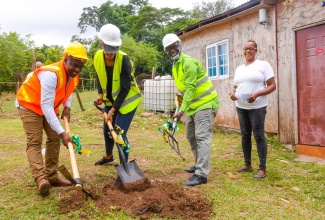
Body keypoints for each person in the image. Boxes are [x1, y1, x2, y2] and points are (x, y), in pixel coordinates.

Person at [16, 42, 88, 196]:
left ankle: (52, 176)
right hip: (29, 105)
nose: (77, 70)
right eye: (74, 65)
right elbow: (46, 106)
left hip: (48, 106)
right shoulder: (51, 74)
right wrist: (63, 133)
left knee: (54, 138)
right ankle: (41, 179)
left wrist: (67, 107)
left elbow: (67, 92)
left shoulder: (74, 76)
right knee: (35, 141)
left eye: (80, 67)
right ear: (66, 58)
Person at [162, 33, 219, 186]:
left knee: (201, 137)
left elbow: (191, 89)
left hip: (206, 103)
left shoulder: (188, 63)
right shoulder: (175, 66)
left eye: (174, 47)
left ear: (180, 45)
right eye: (169, 49)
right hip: (193, 106)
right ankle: (198, 164)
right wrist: (180, 108)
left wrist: (181, 111)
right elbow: (183, 91)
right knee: (190, 136)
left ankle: (201, 174)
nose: (172, 51)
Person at [93, 24, 141, 184]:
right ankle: (108, 158)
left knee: (120, 134)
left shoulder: (124, 59)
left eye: (113, 49)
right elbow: (100, 77)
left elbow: (126, 88)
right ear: (101, 44)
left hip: (127, 101)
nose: (110, 54)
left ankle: (124, 169)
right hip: (110, 100)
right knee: (107, 128)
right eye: (108, 49)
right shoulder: (97, 56)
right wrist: (100, 95)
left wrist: (113, 110)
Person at [230, 39, 276, 179]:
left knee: (259, 136)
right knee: (245, 135)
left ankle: (262, 169)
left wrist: (256, 94)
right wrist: (233, 93)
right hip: (241, 106)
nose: (247, 51)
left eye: (250, 48)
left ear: (256, 50)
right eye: (245, 49)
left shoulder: (263, 65)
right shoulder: (239, 69)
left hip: (257, 107)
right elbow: (236, 86)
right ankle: (247, 164)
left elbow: (272, 85)